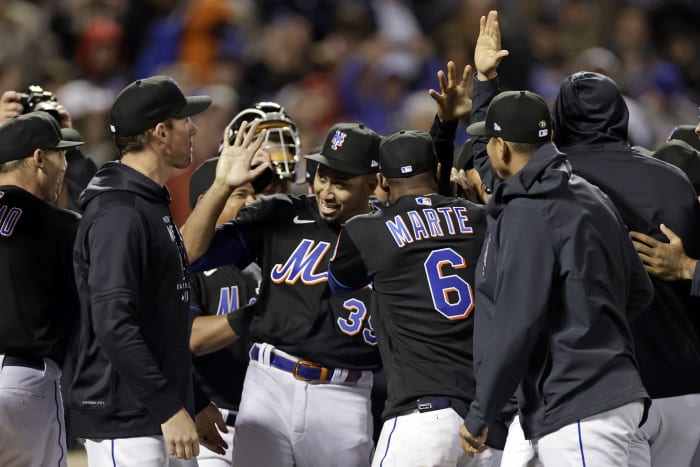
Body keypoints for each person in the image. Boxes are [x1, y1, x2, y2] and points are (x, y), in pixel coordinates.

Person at [459, 11, 653, 466]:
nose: (485, 150)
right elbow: (639, 292)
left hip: (578, 407)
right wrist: (486, 83)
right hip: (601, 399)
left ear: (503, 147)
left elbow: (516, 322)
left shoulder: (531, 212)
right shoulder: (585, 194)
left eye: (489, 141)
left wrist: (480, 411)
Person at [181, 121, 383, 466]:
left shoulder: (390, 233)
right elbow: (190, 253)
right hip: (268, 383)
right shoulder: (282, 213)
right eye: (322, 177)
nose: (327, 192)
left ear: (372, 184)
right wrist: (221, 186)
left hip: (343, 392)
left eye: (341, 183)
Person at [67, 75, 227, 466]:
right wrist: (169, 409)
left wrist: (194, 399)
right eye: (183, 119)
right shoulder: (118, 213)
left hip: (157, 414)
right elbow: (114, 324)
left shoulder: (147, 204)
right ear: (160, 132)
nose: (192, 127)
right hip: (128, 419)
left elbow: (160, 326)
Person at [551, 72, 700, 467]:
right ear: (621, 114)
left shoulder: (551, 180)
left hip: (598, 390)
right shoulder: (674, 180)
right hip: (681, 382)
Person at [327, 129, 499, 466]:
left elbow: (339, 283)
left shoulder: (366, 230)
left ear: (381, 181)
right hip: (485, 418)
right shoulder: (481, 218)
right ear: (437, 172)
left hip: (421, 418)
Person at [0, 111, 84, 467]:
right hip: (24, 381)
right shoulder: (62, 226)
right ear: (38, 158)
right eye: (61, 154)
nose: (65, 164)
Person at [186, 156, 261, 467]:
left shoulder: (271, 257)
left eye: (255, 194)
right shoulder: (184, 264)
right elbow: (191, 337)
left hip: (272, 424)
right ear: (208, 201)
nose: (254, 201)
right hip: (213, 426)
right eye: (241, 194)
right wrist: (258, 311)